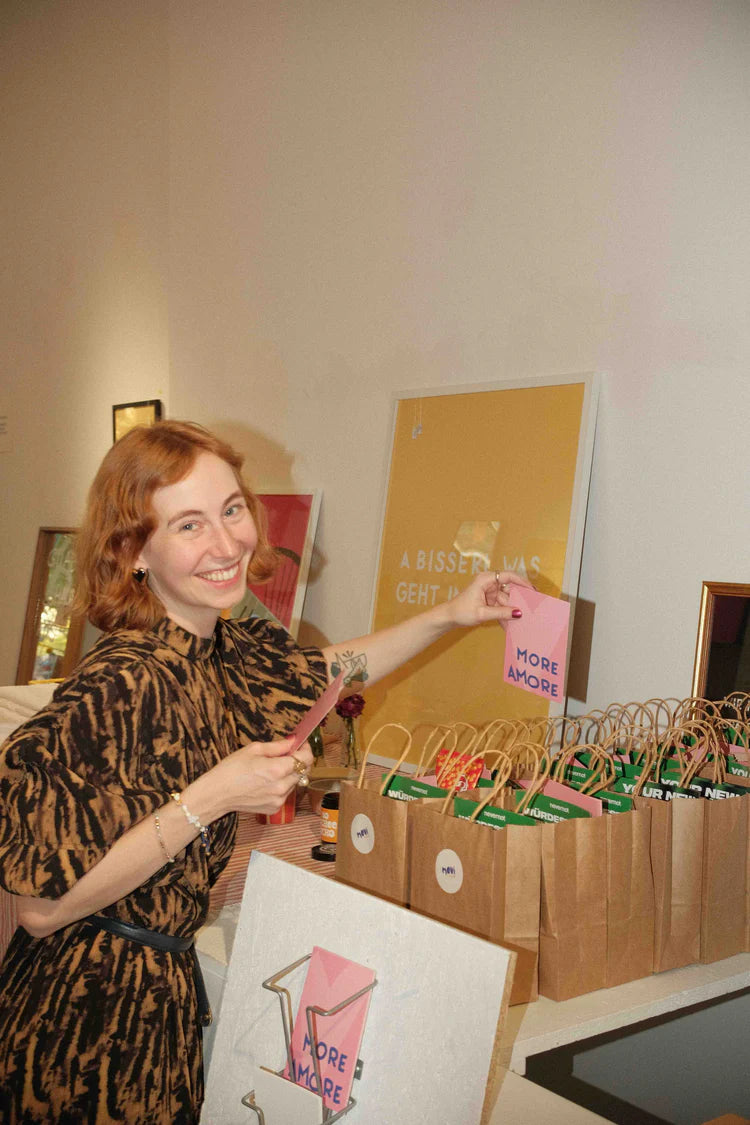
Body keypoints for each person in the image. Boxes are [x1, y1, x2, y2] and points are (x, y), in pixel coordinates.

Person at [0, 420, 529, 1123]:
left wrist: (453, 614)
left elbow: (329, 672)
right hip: (84, 1021)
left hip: (155, 998)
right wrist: (211, 797)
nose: (226, 544)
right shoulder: (122, 680)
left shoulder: (218, 647)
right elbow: (40, 910)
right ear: (133, 551)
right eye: (189, 524)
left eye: (231, 510)